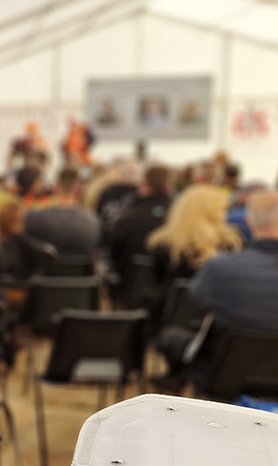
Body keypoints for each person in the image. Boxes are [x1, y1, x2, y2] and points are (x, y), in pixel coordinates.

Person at [157, 190, 278, 390]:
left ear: (248, 222)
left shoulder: (219, 269)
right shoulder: (220, 266)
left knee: (174, 336)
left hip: (225, 376)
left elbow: (197, 303)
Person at [108, 164, 173, 283]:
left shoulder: (127, 217)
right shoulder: (177, 218)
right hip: (167, 292)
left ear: (144, 184)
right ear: (169, 186)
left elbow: (114, 256)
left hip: (129, 287)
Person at [24, 167, 101, 257]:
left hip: (46, 270)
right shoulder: (93, 223)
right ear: (79, 190)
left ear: (56, 186)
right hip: (79, 271)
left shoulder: (32, 219)